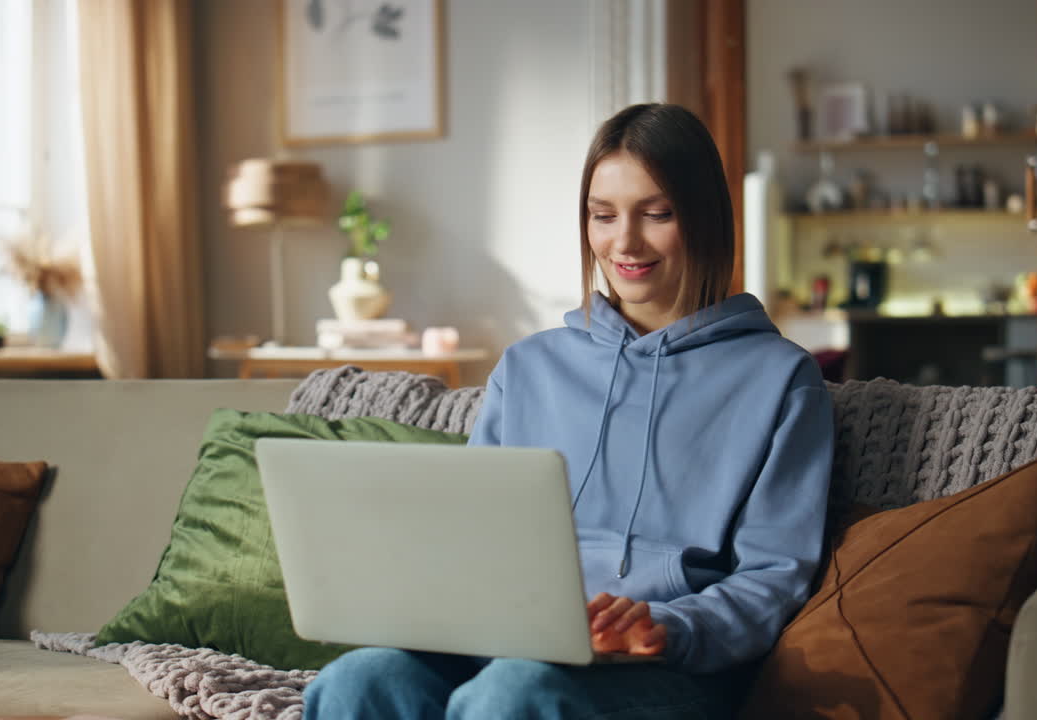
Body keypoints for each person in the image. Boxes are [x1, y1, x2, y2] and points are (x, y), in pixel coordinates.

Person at [303, 103, 834, 719]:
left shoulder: (780, 380)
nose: (624, 242)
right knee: (359, 681)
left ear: (705, 218)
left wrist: (668, 626)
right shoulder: (529, 367)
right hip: (510, 642)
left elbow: (773, 576)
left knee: (513, 695)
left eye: (656, 214)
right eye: (603, 215)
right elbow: (474, 540)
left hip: (668, 666)